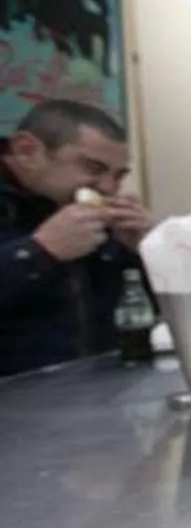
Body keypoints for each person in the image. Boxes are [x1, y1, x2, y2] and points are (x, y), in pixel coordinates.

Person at [0, 99, 153, 377]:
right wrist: (39, 252)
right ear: (26, 152)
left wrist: (144, 252)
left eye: (118, 176)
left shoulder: (91, 213)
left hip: (94, 394)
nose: (108, 187)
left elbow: (143, 317)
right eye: (93, 168)